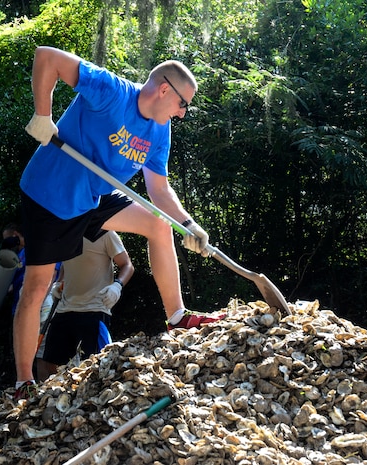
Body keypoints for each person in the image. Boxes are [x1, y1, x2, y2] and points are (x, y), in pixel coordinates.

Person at [13, 45, 226, 399]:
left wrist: (189, 224)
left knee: (160, 224)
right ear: (164, 90)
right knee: (36, 287)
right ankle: (23, 382)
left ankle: (177, 316)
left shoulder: (160, 131)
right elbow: (45, 57)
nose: (183, 113)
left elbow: (158, 189)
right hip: (50, 194)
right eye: (183, 103)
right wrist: (42, 115)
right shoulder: (111, 91)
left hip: (94, 197)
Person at [36, 231, 134, 382]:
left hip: (94, 309)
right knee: (51, 364)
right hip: (65, 308)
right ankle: (59, 399)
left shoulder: (105, 233)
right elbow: (65, 265)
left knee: (96, 365)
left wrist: (117, 286)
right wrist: (59, 283)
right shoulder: (65, 232)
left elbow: (127, 265)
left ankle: (91, 402)